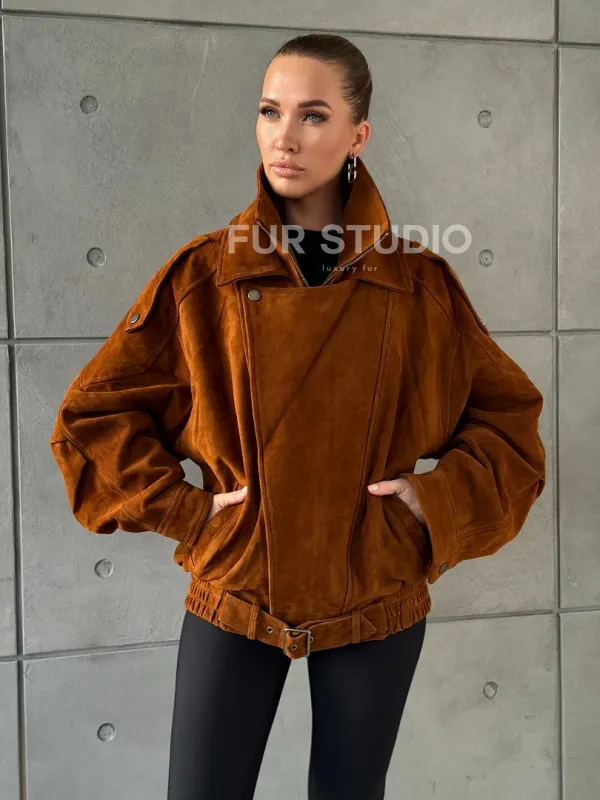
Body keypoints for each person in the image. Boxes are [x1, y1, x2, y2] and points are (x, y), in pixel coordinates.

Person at [49, 33, 546, 800]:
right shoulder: (204, 275)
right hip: (236, 584)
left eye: (313, 115)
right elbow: (93, 417)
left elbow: (508, 421)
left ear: (358, 136)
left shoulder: (418, 284)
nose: (285, 136)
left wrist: (433, 503)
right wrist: (187, 513)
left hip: (375, 589)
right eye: (269, 111)